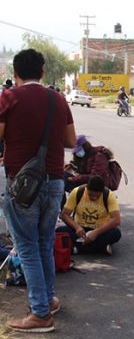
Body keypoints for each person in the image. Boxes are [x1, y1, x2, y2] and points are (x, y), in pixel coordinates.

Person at [0, 49, 76, 333]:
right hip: (55, 181)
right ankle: (48, 300)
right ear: (42, 72)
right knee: (44, 244)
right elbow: (70, 140)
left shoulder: (9, 97)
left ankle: (40, 314)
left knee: (28, 248)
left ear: (15, 73)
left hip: (22, 185)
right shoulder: (58, 99)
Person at [57, 176, 121, 255]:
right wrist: (77, 227)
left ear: (101, 192)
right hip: (80, 230)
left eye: (97, 196)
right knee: (59, 231)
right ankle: (100, 248)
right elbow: (64, 215)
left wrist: (95, 233)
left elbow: (116, 220)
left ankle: (78, 248)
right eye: (90, 195)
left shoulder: (108, 195)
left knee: (115, 233)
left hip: (99, 230)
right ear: (86, 188)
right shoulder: (77, 192)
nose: (93, 198)